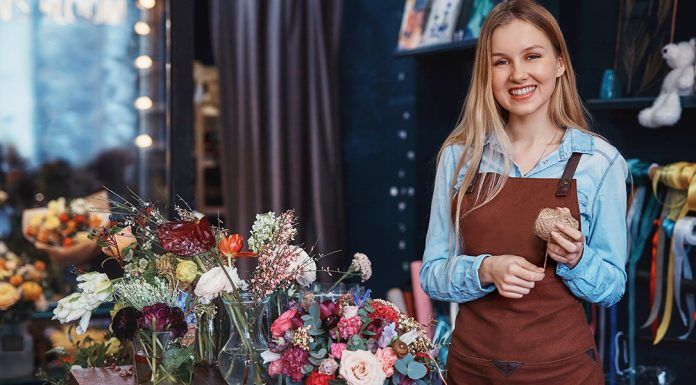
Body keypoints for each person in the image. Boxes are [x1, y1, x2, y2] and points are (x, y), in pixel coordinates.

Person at [419, 1, 627, 384]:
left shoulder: (601, 162)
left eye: (532, 56)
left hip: (564, 373)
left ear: (559, 64)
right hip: (471, 371)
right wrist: (485, 269)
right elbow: (432, 274)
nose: (518, 74)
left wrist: (577, 259)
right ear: (487, 73)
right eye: (501, 62)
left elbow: (612, 288)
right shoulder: (459, 157)